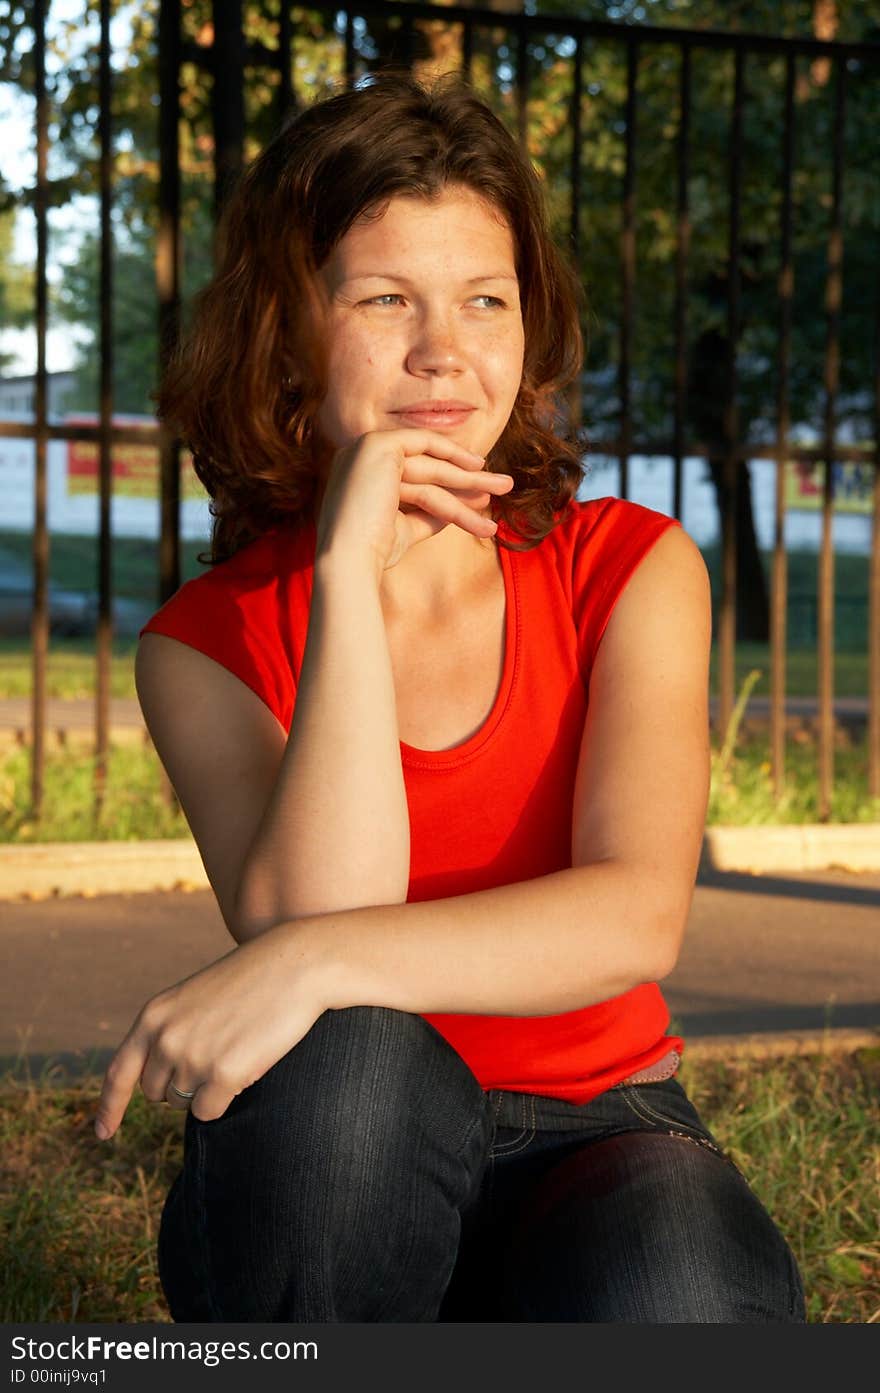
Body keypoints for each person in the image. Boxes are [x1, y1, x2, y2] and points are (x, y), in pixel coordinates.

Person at [94, 73, 805, 1324]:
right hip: (333, 1155)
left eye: (485, 299)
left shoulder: (630, 566)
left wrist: (306, 959)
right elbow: (330, 930)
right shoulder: (202, 648)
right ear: (288, 331)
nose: (445, 352)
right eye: (384, 300)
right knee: (354, 1057)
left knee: (681, 1286)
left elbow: (634, 916)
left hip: (601, 1126)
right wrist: (348, 578)